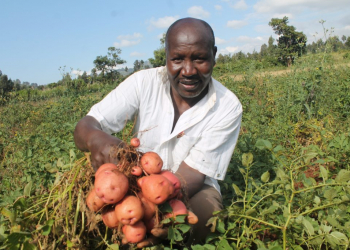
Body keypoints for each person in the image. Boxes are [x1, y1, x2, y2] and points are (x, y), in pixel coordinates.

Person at [74, 17, 242, 247]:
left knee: (203, 220)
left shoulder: (227, 106)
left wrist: (152, 209)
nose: (189, 70)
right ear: (166, 56)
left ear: (214, 54)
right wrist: (96, 139)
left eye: (200, 59)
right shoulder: (143, 82)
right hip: (134, 179)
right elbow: (85, 126)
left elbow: (191, 177)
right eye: (177, 59)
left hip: (192, 187)